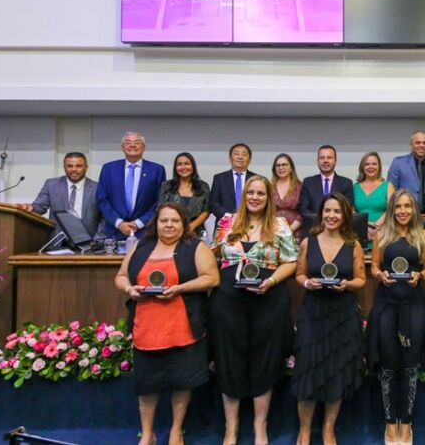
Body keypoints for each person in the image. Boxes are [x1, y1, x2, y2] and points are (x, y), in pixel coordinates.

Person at [114, 202, 219, 445]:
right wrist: (130, 288)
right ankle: (147, 434)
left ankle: (176, 431)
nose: (169, 225)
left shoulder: (195, 247)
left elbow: (212, 278)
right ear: (156, 223)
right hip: (147, 329)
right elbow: (120, 276)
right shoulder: (141, 246)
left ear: (183, 224)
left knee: (182, 382)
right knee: (147, 385)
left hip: (183, 329)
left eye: (175, 221)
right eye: (164, 221)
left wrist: (179, 289)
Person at [208, 175, 298, 445]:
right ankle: (231, 429)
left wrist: (270, 281)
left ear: (269, 198)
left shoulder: (280, 225)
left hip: (268, 301)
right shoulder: (227, 222)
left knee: (265, 362)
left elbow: (291, 261)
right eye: (251, 193)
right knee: (228, 361)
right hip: (228, 302)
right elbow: (214, 255)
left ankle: (260, 427)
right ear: (244, 196)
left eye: (261, 193)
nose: (256, 197)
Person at [291, 193, 365, 445]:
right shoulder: (307, 242)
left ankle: (328, 430)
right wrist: (307, 282)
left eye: (337, 211)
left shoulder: (353, 244)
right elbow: (299, 274)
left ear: (345, 215)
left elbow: (361, 280)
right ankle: (304, 431)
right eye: (327, 211)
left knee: (337, 371)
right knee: (307, 371)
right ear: (321, 214)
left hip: (342, 315)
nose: (331, 216)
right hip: (313, 313)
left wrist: (347, 284)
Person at [367, 189, 425, 445]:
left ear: (414, 210)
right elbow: (373, 266)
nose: (403, 211)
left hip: (414, 306)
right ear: (392, 210)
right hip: (386, 305)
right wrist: (379, 275)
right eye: (398, 207)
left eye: (407, 206)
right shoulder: (382, 236)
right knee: (388, 366)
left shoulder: (424, 236)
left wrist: (421, 276)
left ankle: (406, 424)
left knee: (410, 367)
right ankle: (389, 424)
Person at [97, 132, 166, 240]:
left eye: (137, 142)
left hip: (145, 232)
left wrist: (139, 223)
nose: (132, 145)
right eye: (128, 142)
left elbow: (160, 201)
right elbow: (102, 199)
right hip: (115, 232)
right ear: (122, 147)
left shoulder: (157, 170)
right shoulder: (108, 169)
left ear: (143, 148)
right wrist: (119, 223)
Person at [20, 152, 103, 238]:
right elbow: (40, 206)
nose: (74, 169)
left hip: (88, 242)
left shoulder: (97, 188)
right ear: (64, 167)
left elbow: (104, 217)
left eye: (78, 166)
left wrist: (97, 239)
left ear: (86, 168)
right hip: (58, 241)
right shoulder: (51, 185)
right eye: (70, 166)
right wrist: (31, 207)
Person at [299, 145, 354, 233]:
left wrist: (331, 221)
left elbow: (347, 209)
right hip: (313, 230)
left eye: (329, 157)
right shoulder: (308, 182)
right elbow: (303, 209)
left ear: (335, 161)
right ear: (317, 161)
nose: (325, 161)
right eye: (322, 158)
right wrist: (321, 221)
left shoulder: (346, 183)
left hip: (338, 232)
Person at [159, 152, 210, 234]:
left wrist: (192, 226)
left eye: (187, 164)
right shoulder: (167, 186)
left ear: (193, 166)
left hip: (196, 231)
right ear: (175, 168)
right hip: (171, 230)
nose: (183, 167)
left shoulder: (203, 186)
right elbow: (161, 208)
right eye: (179, 164)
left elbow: (206, 210)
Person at [209, 143, 259, 224]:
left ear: (249, 159)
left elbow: (260, 203)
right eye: (236, 154)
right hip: (224, 224)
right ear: (230, 158)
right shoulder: (219, 178)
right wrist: (231, 217)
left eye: (244, 154)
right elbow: (214, 204)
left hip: (251, 223)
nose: (240, 157)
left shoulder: (257, 179)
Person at [387, 130, 425, 206]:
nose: (421, 145)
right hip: (406, 213)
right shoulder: (398, 163)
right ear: (411, 144)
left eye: (424, 143)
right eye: (418, 142)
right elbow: (391, 191)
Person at [353, 151, 395, 243]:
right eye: (367, 164)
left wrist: (375, 226)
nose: (370, 167)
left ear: (379, 166)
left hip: (382, 233)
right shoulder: (354, 187)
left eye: (374, 164)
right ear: (362, 167)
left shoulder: (388, 186)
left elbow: (392, 209)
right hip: (359, 234)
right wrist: (364, 226)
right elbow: (351, 211)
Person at [271, 153, 303, 238]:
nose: (281, 168)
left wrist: (289, 230)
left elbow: (303, 211)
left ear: (291, 168)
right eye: (278, 165)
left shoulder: (300, 187)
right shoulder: (269, 187)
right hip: (273, 232)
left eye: (284, 165)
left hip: (295, 232)